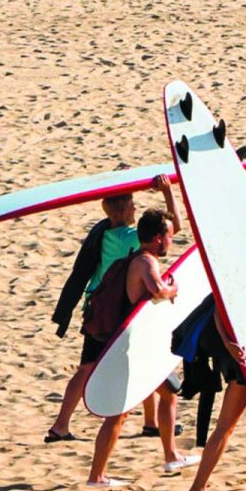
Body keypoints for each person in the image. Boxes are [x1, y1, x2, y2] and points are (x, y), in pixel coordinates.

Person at [45, 175, 183, 442]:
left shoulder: (105, 231)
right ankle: (61, 425)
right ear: (122, 210)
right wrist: (167, 192)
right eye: (131, 203)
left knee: (101, 364)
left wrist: (125, 180)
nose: (135, 208)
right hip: (110, 311)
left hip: (99, 306)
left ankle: (150, 423)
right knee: (91, 367)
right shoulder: (126, 238)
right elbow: (172, 227)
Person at [84, 209, 194, 487]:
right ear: (158, 238)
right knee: (118, 414)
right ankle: (96, 476)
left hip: (139, 347)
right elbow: (157, 290)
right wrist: (173, 289)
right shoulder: (145, 261)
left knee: (168, 393)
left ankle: (171, 456)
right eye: (169, 236)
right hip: (130, 350)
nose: (171, 241)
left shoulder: (138, 257)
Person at [184, 299, 246, 491]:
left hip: (240, 357)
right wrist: (228, 345)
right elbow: (220, 307)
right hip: (240, 360)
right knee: (225, 427)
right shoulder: (240, 277)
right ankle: (198, 488)